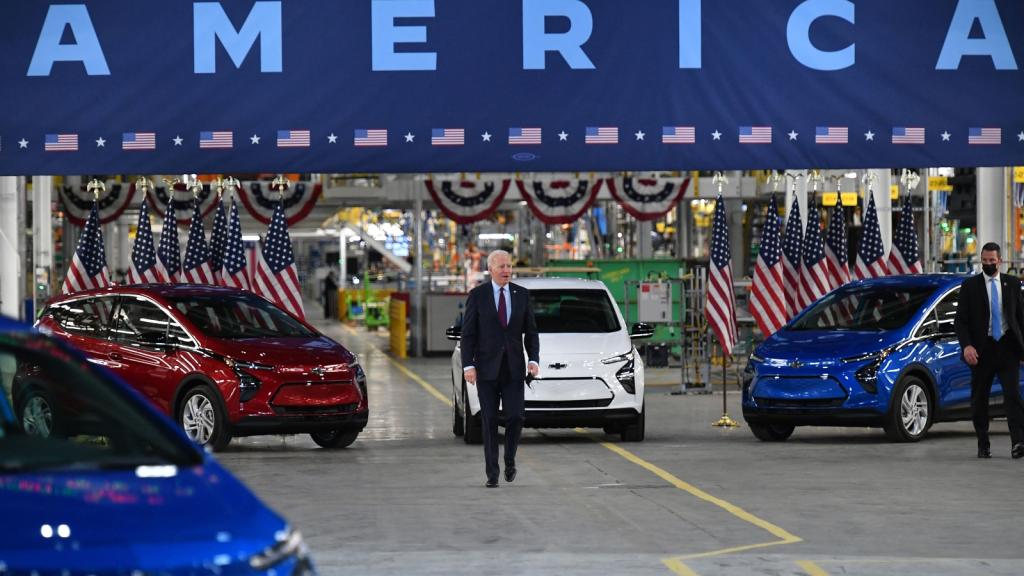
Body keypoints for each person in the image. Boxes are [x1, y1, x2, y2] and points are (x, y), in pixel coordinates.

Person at [461, 250, 540, 487]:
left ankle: (509, 459)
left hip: (514, 369)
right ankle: (492, 474)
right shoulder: (478, 296)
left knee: (516, 416)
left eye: (509, 266)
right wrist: (468, 365)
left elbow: (531, 332)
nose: (507, 270)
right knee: (489, 420)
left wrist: (533, 360)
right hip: (486, 370)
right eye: (502, 266)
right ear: (491, 269)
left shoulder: (522, 295)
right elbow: (469, 335)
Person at [954, 242, 1024, 459]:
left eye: (992, 261)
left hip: (1007, 347)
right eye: (984, 261)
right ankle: (983, 443)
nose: (988, 264)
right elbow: (960, 321)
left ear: (1000, 261)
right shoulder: (970, 286)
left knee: (1012, 396)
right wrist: (966, 345)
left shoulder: (1012, 284)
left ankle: (1018, 442)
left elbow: (1021, 318)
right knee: (979, 398)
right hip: (982, 349)